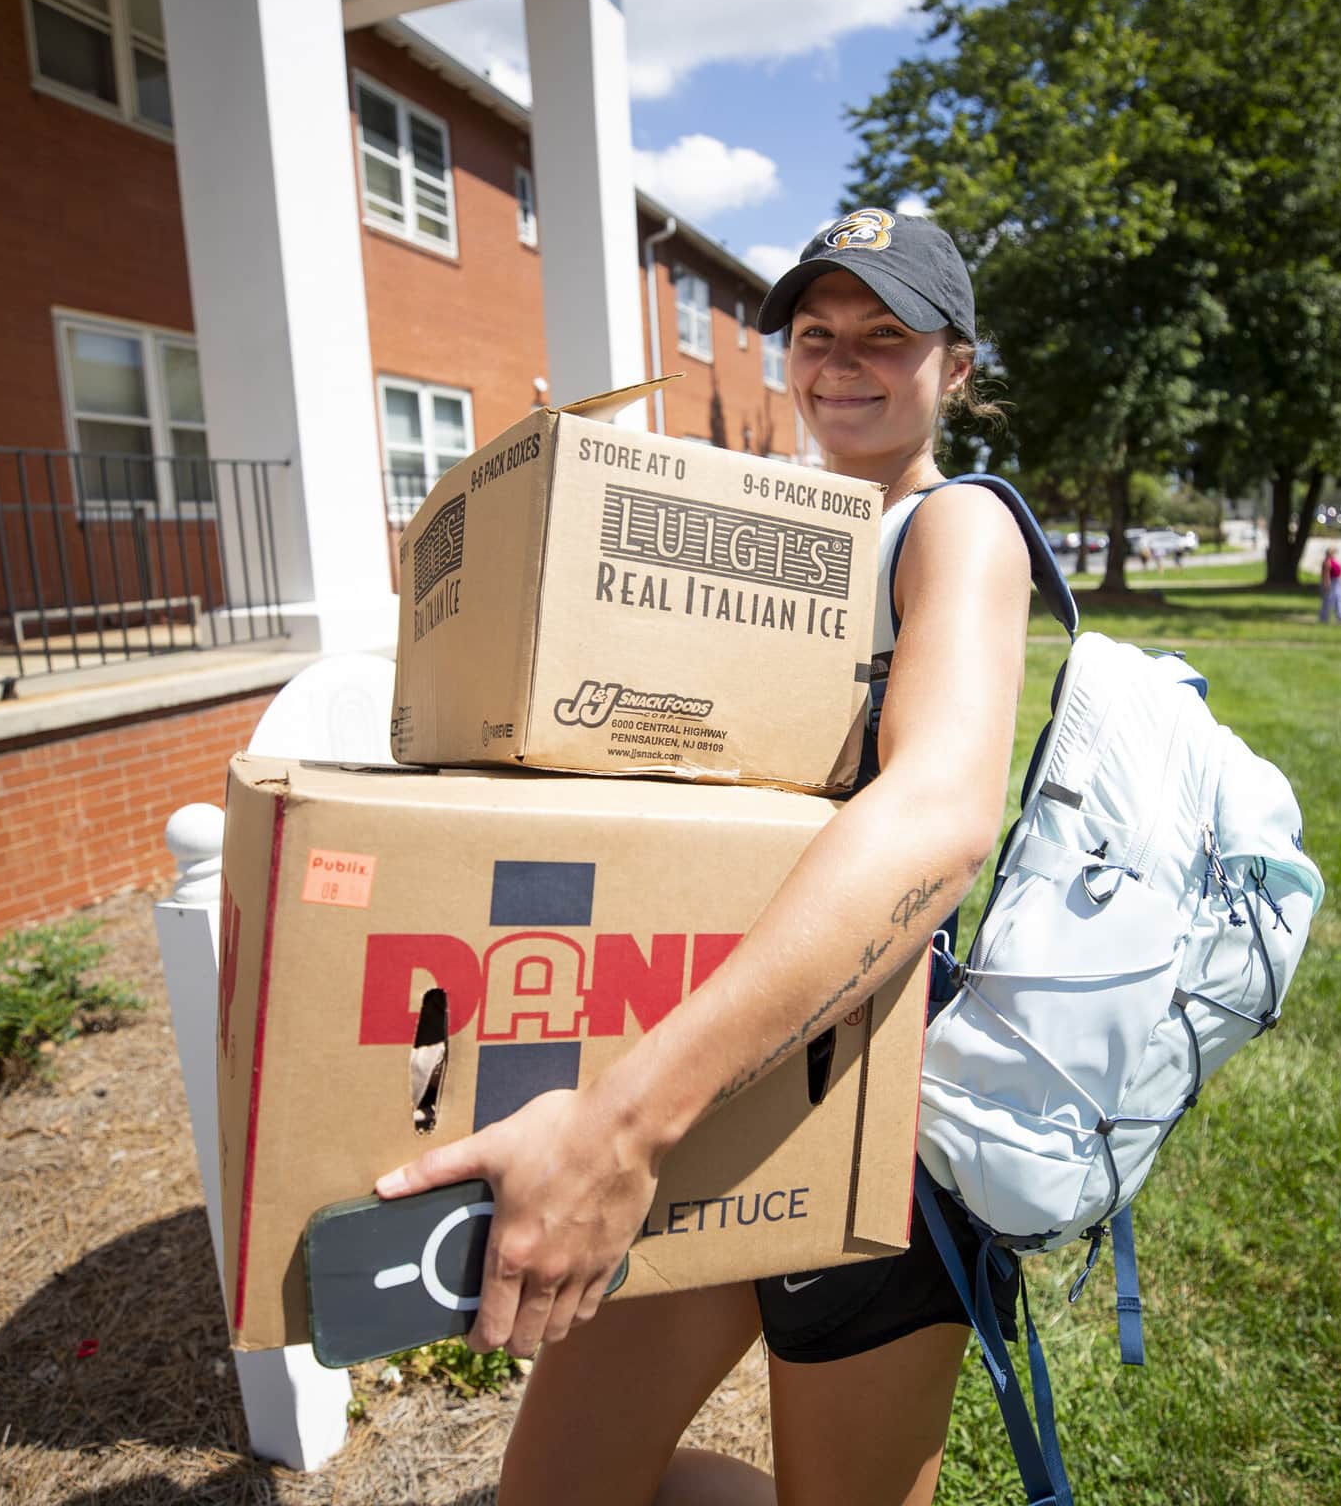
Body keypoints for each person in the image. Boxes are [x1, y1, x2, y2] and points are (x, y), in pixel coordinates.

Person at [374, 209, 1033, 1506]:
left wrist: (628, 1116)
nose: (840, 364)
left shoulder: (956, 531)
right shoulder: (745, 526)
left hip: (860, 1103)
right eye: (817, 334)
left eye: (885, 340)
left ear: (957, 367)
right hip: (697, 1055)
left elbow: (944, 811)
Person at [1319, 544, 1341, 623]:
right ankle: (1324, 617)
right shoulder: (1327, 562)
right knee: (1328, 600)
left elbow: (1340, 570)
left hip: (1337, 581)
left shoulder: (1334, 561)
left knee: (1339, 598)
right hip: (1332, 582)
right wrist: (1326, 583)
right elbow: (1326, 574)